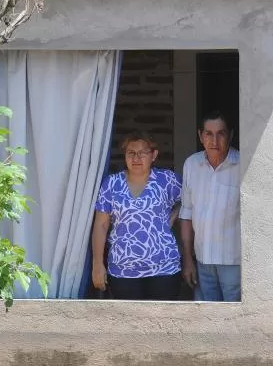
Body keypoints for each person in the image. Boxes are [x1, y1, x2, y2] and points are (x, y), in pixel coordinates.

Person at [91, 133, 183, 300]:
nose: (136, 158)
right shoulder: (112, 183)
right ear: (125, 156)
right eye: (131, 153)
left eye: (142, 153)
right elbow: (101, 225)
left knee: (163, 322)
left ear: (153, 155)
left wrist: (172, 216)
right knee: (128, 323)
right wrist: (97, 264)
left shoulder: (167, 180)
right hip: (123, 270)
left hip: (164, 268)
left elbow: (192, 198)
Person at [180, 111, 241, 302]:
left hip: (234, 261)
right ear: (200, 136)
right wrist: (188, 259)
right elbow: (187, 213)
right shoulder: (191, 164)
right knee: (205, 320)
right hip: (202, 260)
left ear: (231, 135)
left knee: (233, 320)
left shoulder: (243, 164)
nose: (214, 140)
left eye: (220, 133)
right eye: (208, 134)